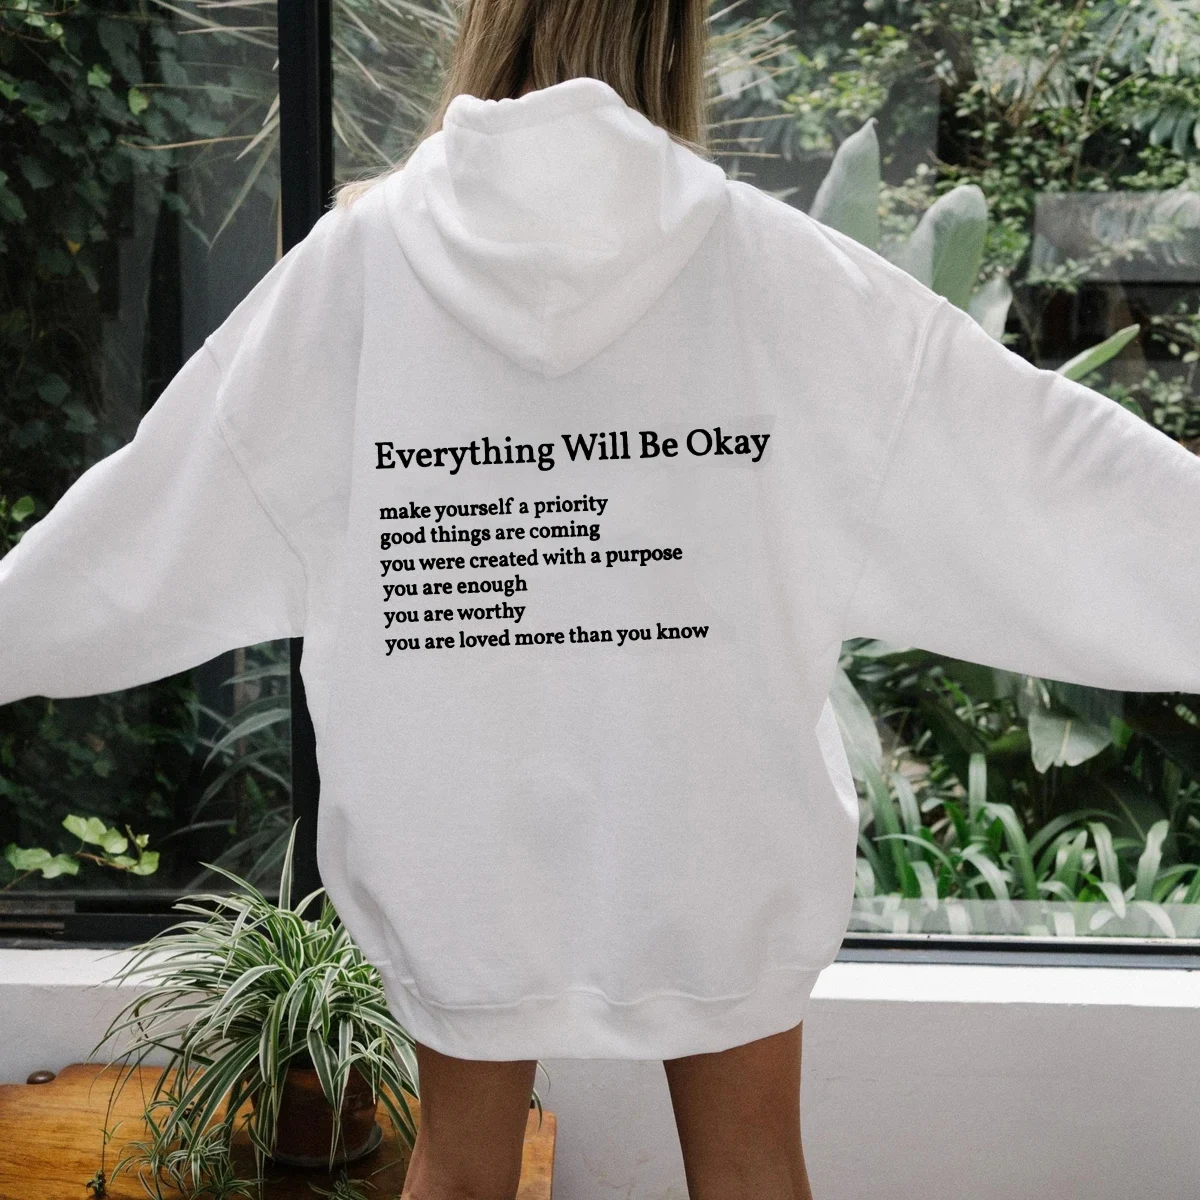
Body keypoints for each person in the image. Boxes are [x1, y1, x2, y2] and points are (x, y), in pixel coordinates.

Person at [3, 0, 1200, 1196]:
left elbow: (151, 518)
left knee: (460, 1173)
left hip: (461, 848)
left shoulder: (357, 272)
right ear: (675, 40)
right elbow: (1038, 473)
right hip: (722, 832)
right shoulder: (776, 271)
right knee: (750, 1171)